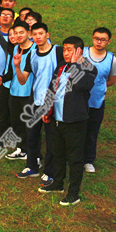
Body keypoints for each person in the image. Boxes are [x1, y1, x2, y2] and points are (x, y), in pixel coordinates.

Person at [37, 36, 96, 206]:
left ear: (79, 51)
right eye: (64, 49)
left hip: (75, 122)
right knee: (57, 153)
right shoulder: (61, 66)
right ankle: (58, 183)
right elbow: (52, 87)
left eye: (70, 49)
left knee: (75, 159)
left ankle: (73, 193)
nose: (66, 52)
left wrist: (77, 64)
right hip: (57, 119)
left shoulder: (89, 68)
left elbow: (79, 86)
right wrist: (47, 109)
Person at [13, 22, 62, 182]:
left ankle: (50, 171)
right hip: (35, 101)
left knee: (51, 139)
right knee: (32, 135)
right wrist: (18, 67)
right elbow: (22, 80)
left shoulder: (58, 51)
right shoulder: (32, 54)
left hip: (53, 103)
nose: (38, 37)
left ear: (47, 34)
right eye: (35, 34)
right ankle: (32, 166)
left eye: (41, 33)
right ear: (31, 36)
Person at [82, 27, 116, 174]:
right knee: (77, 131)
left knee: (92, 132)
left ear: (108, 41)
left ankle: (89, 160)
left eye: (103, 39)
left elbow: (111, 80)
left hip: (97, 102)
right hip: (79, 101)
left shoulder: (111, 59)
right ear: (92, 38)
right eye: (96, 38)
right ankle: (75, 157)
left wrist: (99, 88)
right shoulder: (83, 53)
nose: (99, 42)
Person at [1, 20, 35, 161]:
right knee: (16, 122)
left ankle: (31, 152)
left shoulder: (35, 50)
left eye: (21, 32)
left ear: (28, 33)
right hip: (14, 91)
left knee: (29, 125)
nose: (18, 35)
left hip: (29, 92)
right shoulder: (16, 48)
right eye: (16, 33)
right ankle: (21, 149)